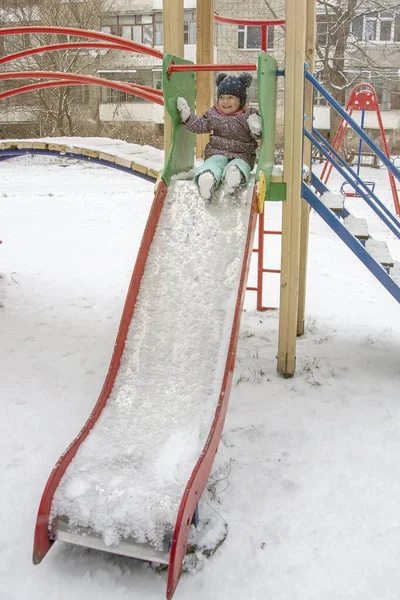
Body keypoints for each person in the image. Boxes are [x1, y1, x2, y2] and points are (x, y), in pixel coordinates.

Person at [176, 72, 262, 200]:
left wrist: (256, 129)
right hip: (217, 151)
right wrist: (187, 117)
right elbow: (200, 125)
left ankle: (233, 178)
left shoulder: (248, 115)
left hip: (242, 154)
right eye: (222, 97)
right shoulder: (214, 114)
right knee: (213, 163)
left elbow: (258, 137)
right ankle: (207, 179)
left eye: (231, 97)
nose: (225, 101)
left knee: (239, 165)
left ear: (241, 100)